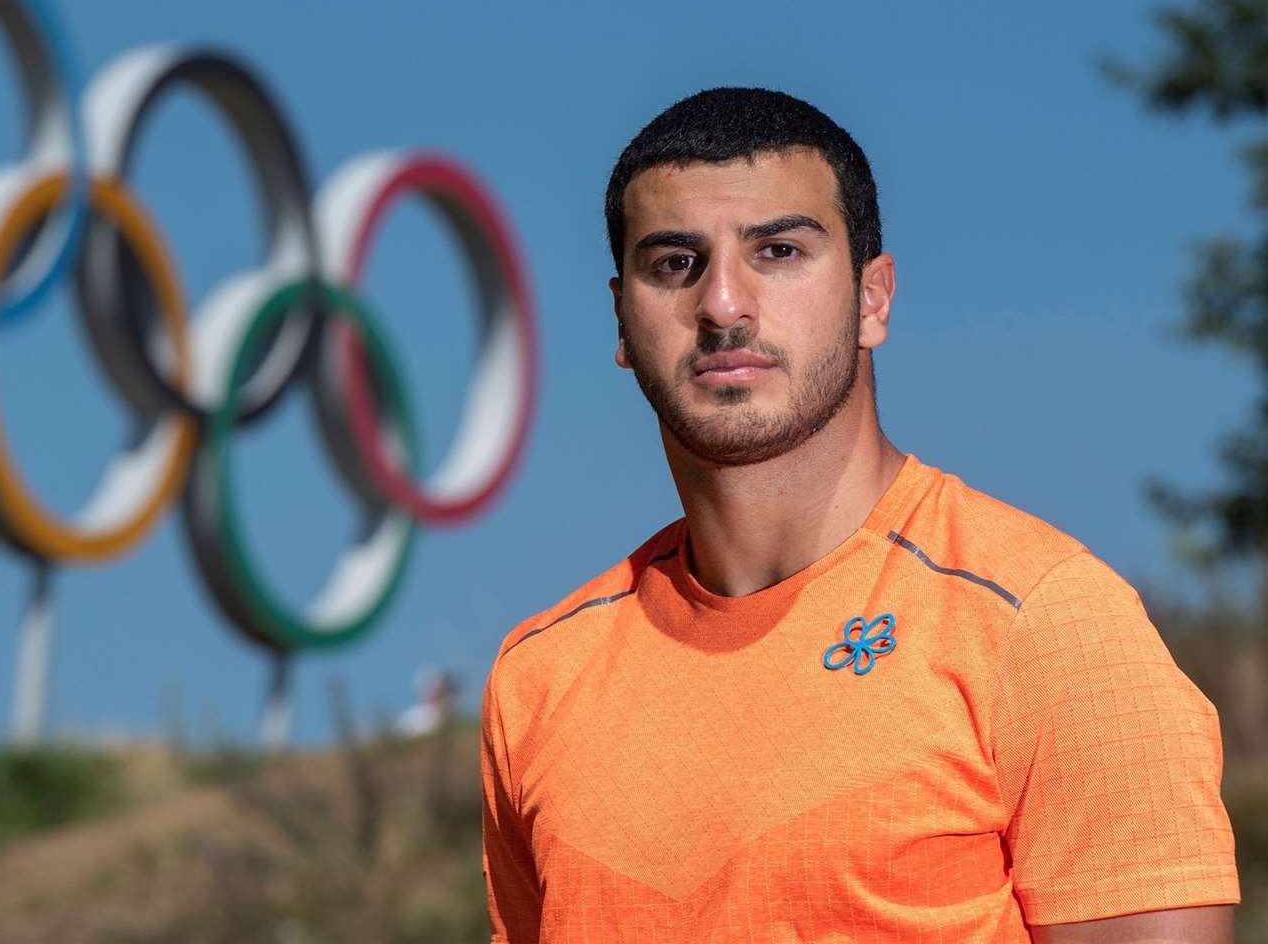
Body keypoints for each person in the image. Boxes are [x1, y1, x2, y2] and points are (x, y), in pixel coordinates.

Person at [480, 89, 1239, 943]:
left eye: (778, 250)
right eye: (674, 264)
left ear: (874, 298)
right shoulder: (538, 680)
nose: (724, 303)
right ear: (622, 319)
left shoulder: (1044, 619)